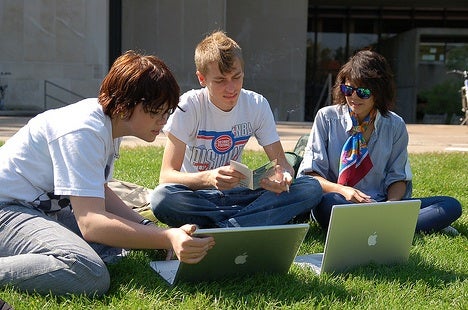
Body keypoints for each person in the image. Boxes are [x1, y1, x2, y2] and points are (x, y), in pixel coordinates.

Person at [0, 51, 214, 296]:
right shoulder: (82, 132)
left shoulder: (108, 124)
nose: (162, 122)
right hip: (7, 209)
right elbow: (92, 223)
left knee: (117, 247)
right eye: (155, 112)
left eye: (166, 113)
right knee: (87, 271)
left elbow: (98, 189)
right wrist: (167, 237)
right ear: (124, 107)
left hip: (37, 210)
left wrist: (150, 229)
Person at [150, 30, 322, 228]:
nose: (231, 88)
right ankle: (248, 222)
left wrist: (283, 176)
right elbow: (167, 176)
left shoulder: (256, 104)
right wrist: (208, 178)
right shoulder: (189, 106)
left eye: (237, 77)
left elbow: (282, 162)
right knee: (162, 198)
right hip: (199, 197)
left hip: (239, 195)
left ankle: (222, 229)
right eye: (220, 80)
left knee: (310, 187)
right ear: (202, 79)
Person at [297, 49, 462, 234]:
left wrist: (389, 207)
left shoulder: (394, 124)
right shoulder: (326, 118)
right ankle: (404, 227)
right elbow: (310, 176)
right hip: (338, 200)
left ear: (379, 92)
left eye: (363, 92)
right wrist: (344, 191)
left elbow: (398, 177)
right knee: (327, 204)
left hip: (381, 203)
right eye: (348, 89)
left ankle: (377, 225)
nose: (353, 97)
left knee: (450, 205)